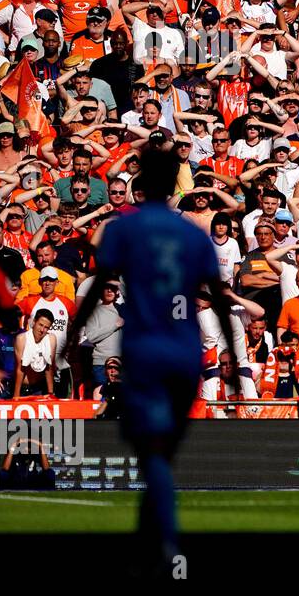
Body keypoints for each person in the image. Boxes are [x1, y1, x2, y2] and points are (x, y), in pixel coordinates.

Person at [66, 147, 238, 571]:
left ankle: (166, 542)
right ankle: (152, 529)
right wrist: (234, 354)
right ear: (174, 184)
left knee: (154, 453)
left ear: (142, 183)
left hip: (143, 350)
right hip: (184, 354)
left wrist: (74, 336)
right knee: (162, 450)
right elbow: (218, 298)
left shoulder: (126, 229)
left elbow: (99, 282)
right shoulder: (193, 234)